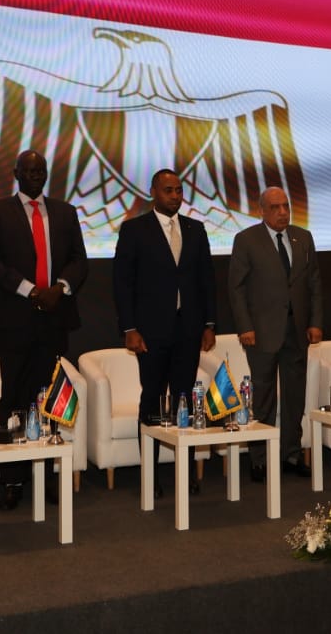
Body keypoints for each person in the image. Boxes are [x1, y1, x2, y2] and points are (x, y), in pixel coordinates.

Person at [0, 150, 88, 510]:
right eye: (28, 171)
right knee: (14, 399)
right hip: (13, 321)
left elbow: (79, 260)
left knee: (49, 400)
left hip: (54, 319)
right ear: (16, 174)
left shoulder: (65, 212)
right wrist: (30, 290)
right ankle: (12, 480)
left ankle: (46, 477)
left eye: (40, 171)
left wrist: (60, 288)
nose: (35, 176)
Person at [113, 168, 216, 494]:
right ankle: (151, 475)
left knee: (185, 401)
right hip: (150, 332)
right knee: (153, 402)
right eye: (168, 190)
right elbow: (122, 283)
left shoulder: (196, 229)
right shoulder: (134, 229)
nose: (175, 196)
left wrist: (209, 324)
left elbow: (206, 280)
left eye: (179, 190)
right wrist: (130, 328)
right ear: (153, 192)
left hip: (188, 330)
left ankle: (186, 472)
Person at [228, 187, 323, 482]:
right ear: (262, 211)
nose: (283, 212)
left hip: (297, 331)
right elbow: (236, 288)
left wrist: (315, 322)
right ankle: (260, 459)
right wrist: (245, 326)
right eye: (275, 207)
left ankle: (291, 454)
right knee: (264, 397)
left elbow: (314, 284)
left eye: (286, 206)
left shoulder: (303, 238)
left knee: (295, 396)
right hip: (261, 333)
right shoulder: (246, 240)